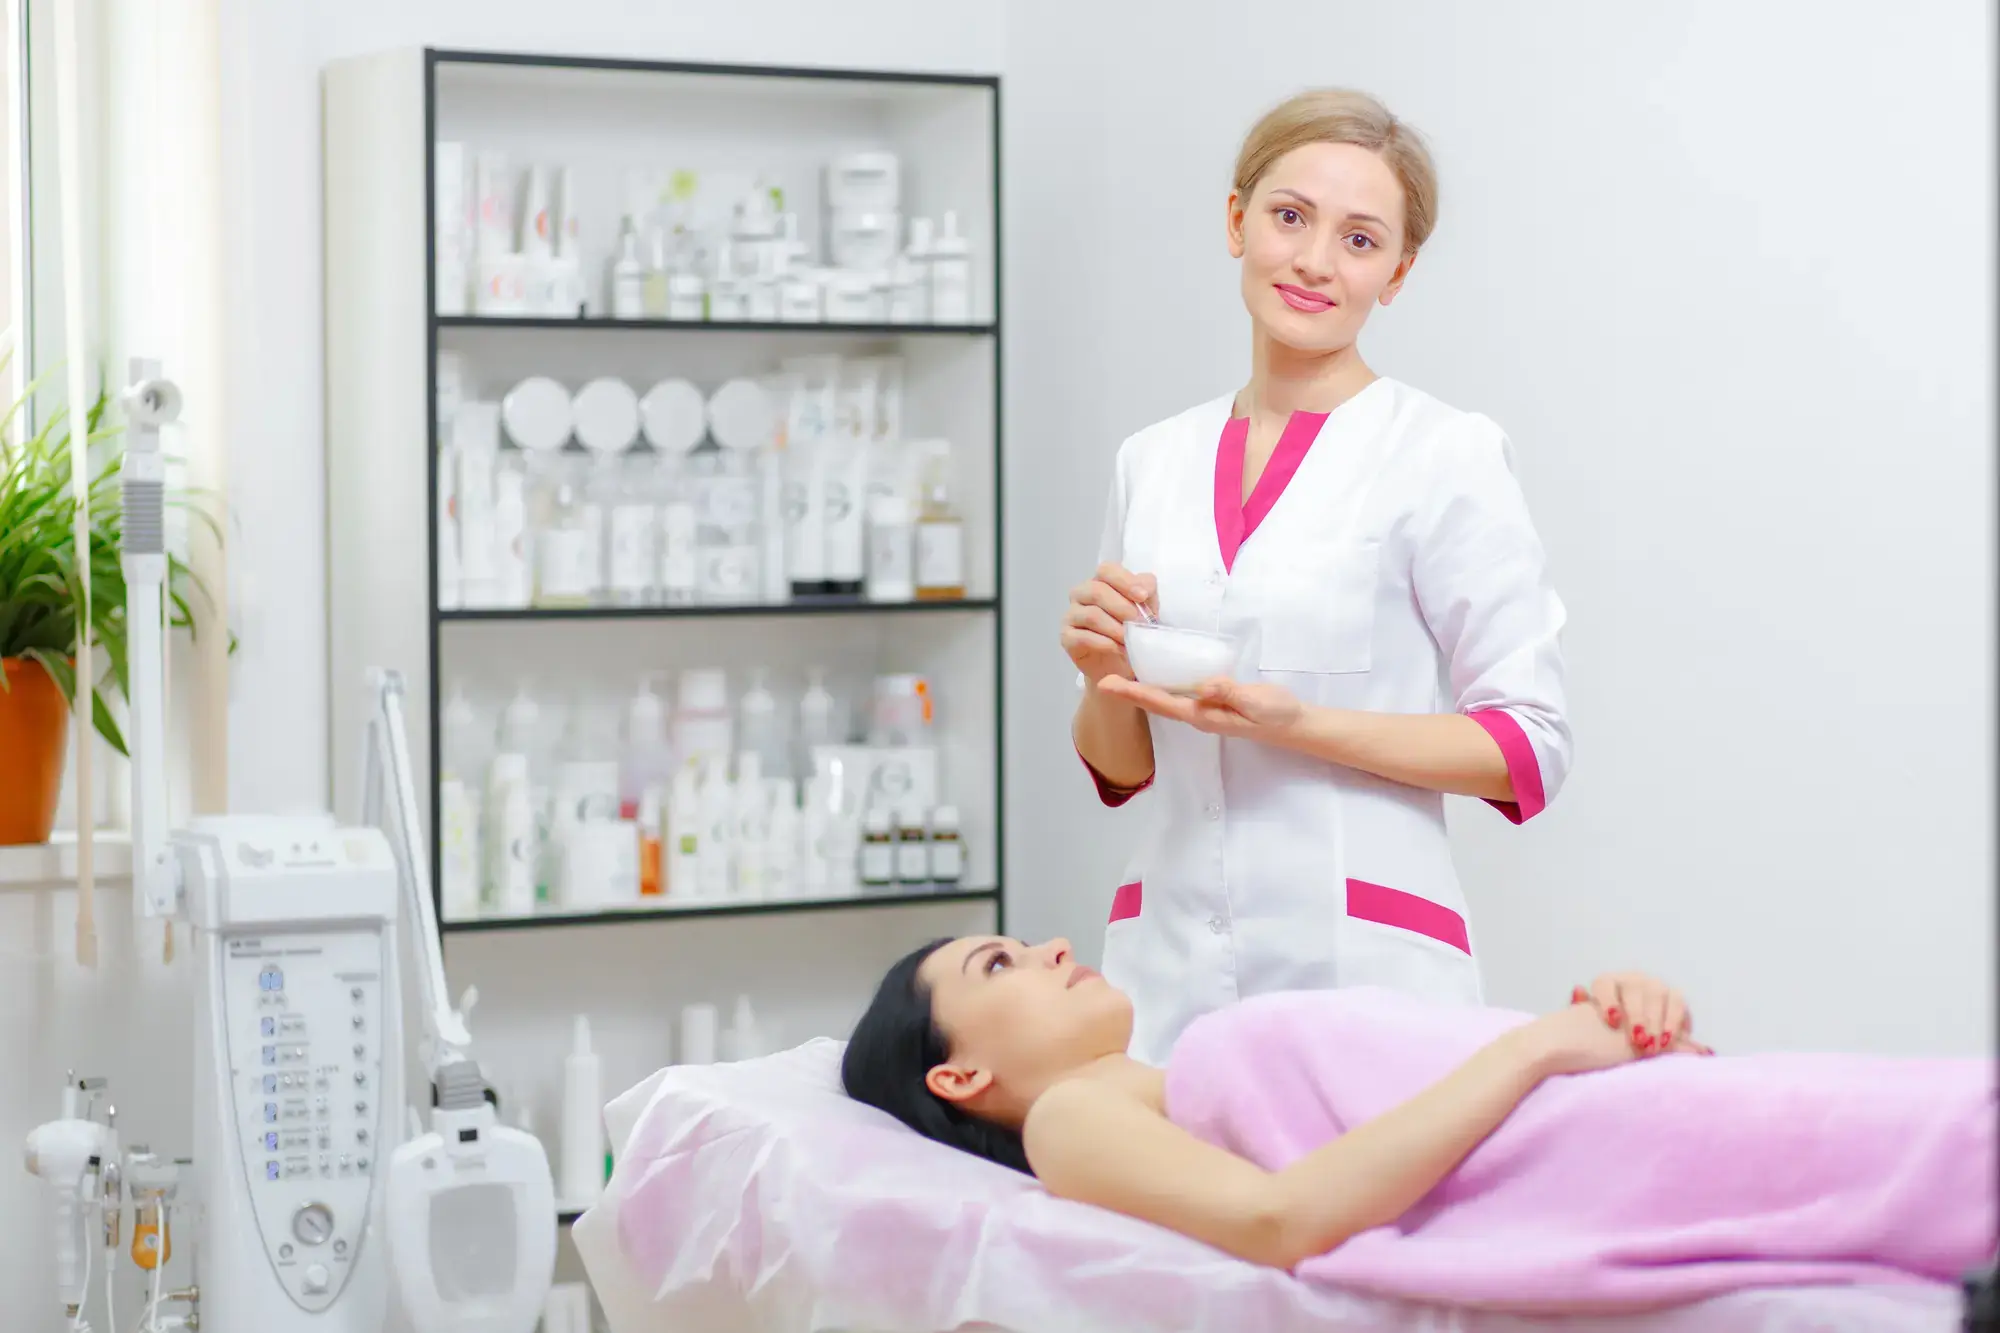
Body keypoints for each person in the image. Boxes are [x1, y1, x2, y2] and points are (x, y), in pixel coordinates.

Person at [1064, 87, 1571, 1062]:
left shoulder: (1442, 453)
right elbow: (1120, 766)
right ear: (1234, 220)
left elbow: (1527, 744)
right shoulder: (1151, 460)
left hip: (1361, 971)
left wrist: (1304, 728)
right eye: (1288, 217)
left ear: (1397, 272)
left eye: (1358, 239)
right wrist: (1098, 673)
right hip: (1161, 973)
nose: (1311, 262)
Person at [842, 935, 1997, 1307]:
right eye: (999, 962)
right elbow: (1276, 1218)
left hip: (1609, 1109)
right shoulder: (1069, 1123)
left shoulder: (1158, 1076)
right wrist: (1536, 1049)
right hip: (1584, 1144)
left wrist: (1603, 1019)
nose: (1048, 946)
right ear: (958, 1076)